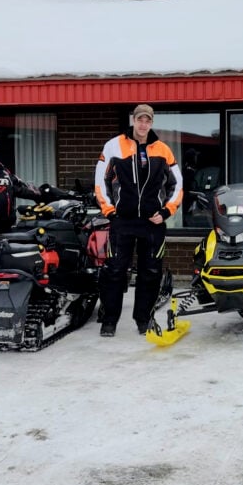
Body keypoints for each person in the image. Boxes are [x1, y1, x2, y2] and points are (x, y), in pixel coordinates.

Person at [94, 104, 182, 337]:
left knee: (151, 272)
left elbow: (177, 185)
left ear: (151, 123)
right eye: (139, 119)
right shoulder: (114, 146)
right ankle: (109, 320)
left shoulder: (163, 149)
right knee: (114, 271)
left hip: (152, 223)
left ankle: (143, 319)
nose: (143, 124)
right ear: (133, 120)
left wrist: (165, 212)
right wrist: (110, 211)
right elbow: (100, 181)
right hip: (122, 221)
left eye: (148, 120)